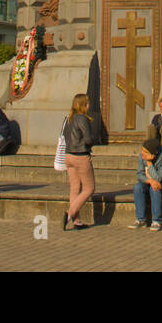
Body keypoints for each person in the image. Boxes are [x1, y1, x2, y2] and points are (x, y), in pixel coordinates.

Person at [62, 93, 96, 231]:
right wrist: (92, 141)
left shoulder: (69, 118)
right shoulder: (82, 118)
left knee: (75, 188)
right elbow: (88, 139)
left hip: (69, 156)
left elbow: (65, 135)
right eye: (87, 103)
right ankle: (69, 214)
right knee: (89, 188)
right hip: (81, 156)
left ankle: (77, 221)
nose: (89, 106)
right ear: (83, 105)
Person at [130, 137, 162, 231]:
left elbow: (158, 179)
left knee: (155, 188)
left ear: (154, 153)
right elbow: (139, 174)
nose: (142, 154)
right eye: (142, 150)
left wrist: (149, 163)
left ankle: (157, 221)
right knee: (138, 187)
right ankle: (141, 219)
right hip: (149, 182)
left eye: (145, 152)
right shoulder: (142, 156)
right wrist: (150, 181)